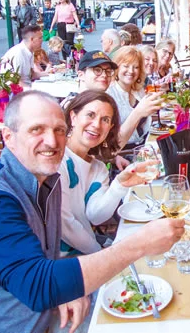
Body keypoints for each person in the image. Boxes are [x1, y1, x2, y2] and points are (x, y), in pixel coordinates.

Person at [0, 90, 185, 333]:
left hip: (41, 315)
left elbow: (40, 266)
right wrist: (137, 245)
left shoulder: (46, 179)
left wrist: (66, 287)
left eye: (59, 130)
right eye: (36, 130)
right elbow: (37, 285)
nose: (51, 141)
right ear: (8, 137)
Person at [59, 90, 144, 256]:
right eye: (90, 115)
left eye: (105, 120)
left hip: (86, 248)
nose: (97, 125)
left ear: (110, 128)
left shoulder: (97, 168)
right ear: (73, 117)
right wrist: (101, 254)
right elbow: (65, 225)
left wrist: (119, 185)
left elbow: (96, 216)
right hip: (57, 259)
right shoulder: (57, 160)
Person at [107, 46, 164, 150]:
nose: (131, 71)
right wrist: (138, 112)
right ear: (117, 67)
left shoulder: (138, 91)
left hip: (144, 145)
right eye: (126, 66)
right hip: (121, 153)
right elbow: (110, 144)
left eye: (136, 67)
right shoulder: (109, 95)